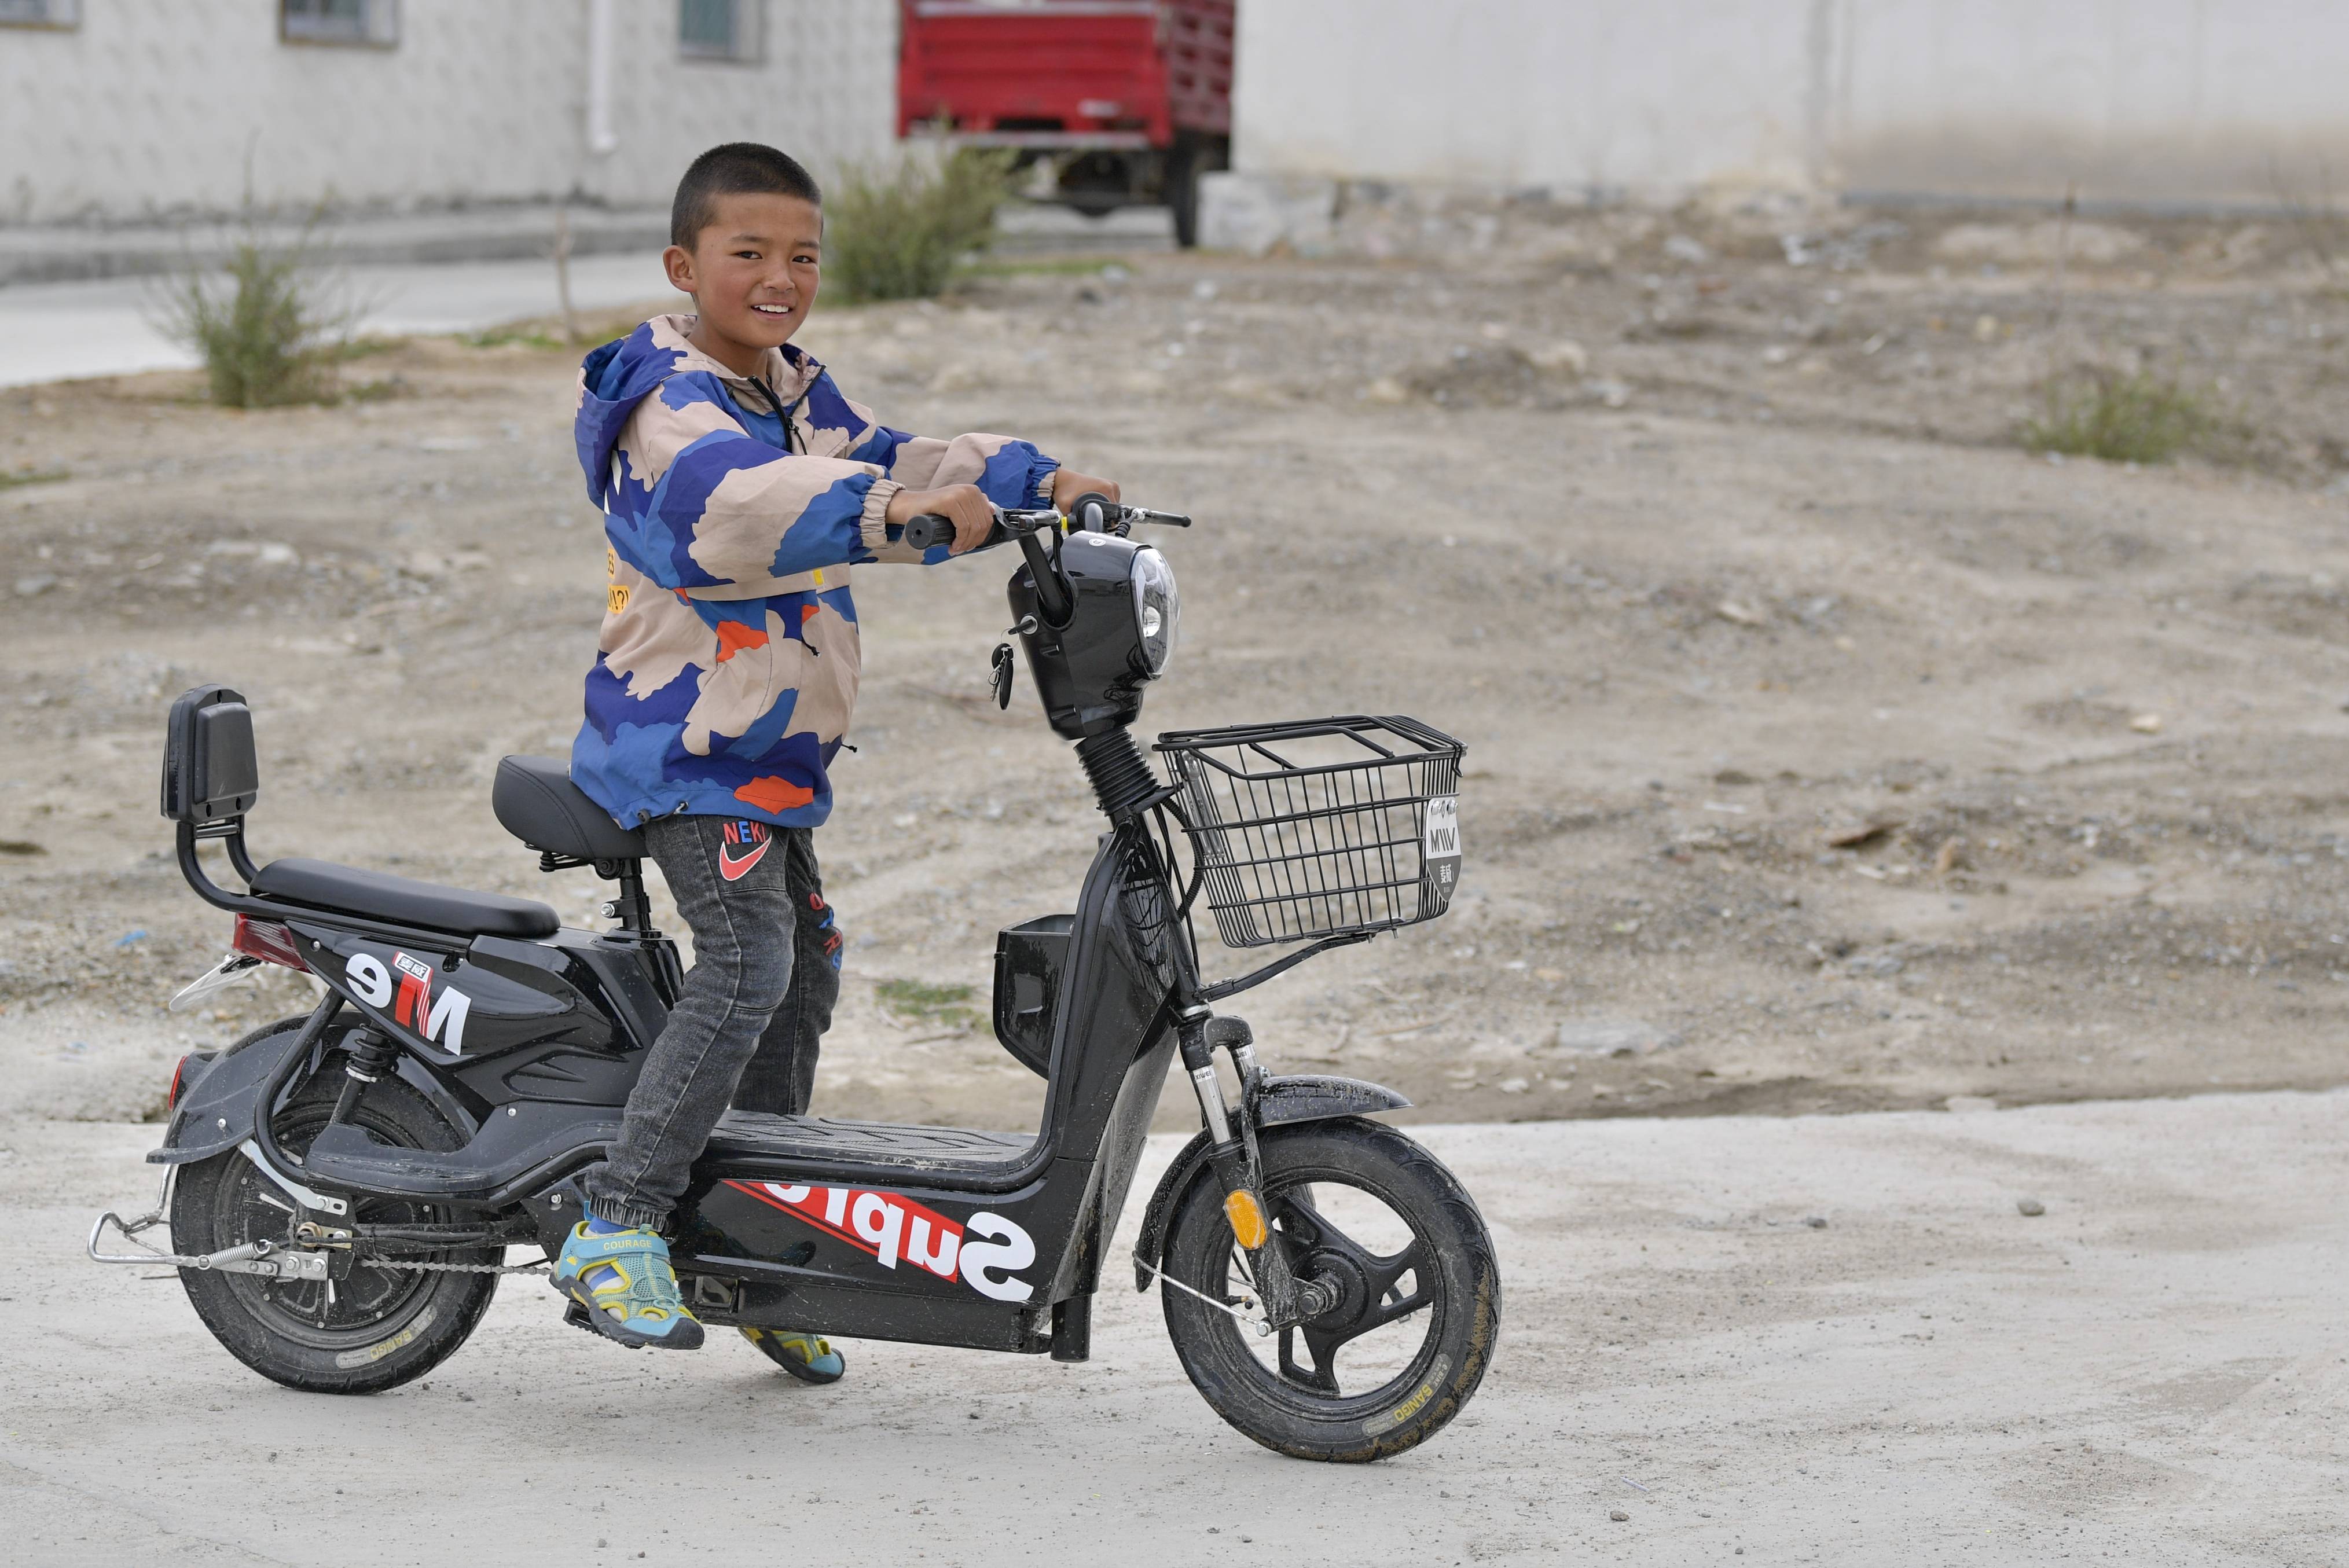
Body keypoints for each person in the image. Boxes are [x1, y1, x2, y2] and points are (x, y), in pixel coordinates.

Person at [553, 142, 1119, 1376]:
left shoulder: (790, 388)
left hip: (761, 752)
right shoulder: (670, 403)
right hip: (684, 745)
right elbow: (735, 508)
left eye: (801, 255)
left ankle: (752, 1238)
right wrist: (893, 521)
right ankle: (618, 1219)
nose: (778, 277)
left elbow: (895, 454)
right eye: (748, 253)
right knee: (750, 957)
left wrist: (1038, 477)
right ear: (683, 265)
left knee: (804, 969)